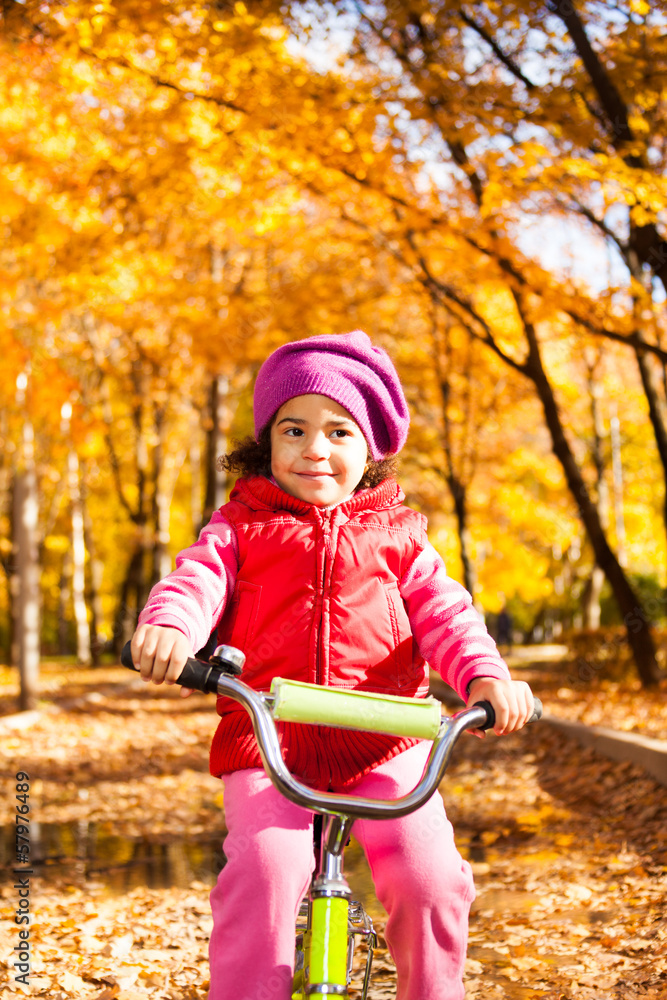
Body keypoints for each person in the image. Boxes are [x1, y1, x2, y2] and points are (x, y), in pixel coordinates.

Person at [131, 330, 535, 1000]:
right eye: (294, 429)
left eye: (339, 432)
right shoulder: (240, 526)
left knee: (428, 876)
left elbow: (446, 614)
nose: (314, 449)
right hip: (267, 737)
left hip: (385, 737)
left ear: (370, 448)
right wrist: (171, 627)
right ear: (267, 442)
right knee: (263, 869)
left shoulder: (400, 537)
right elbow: (194, 582)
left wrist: (484, 677)